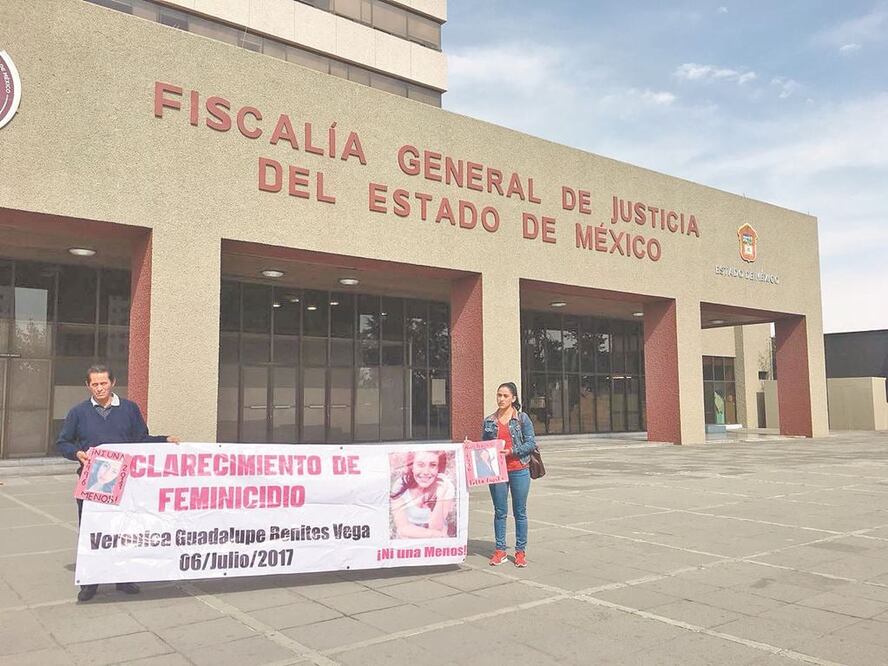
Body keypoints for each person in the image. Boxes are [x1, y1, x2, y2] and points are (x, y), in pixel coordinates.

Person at [56, 363, 180, 602]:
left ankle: (123, 578)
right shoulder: (78, 412)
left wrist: (165, 441)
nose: (100, 388)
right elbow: (63, 442)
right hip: (93, 482)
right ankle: (90, 582)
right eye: (95, 384)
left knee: (124, 530)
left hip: (126, 481)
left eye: (103, 383)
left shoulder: (129, 409)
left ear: (112, 383)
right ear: (87, 385)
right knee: (92, 531)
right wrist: (76, 453)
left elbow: (141, 440)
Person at [481, 381, 537, 568]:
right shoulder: (489, 421)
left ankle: (520, 552)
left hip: (519, 469)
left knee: (520, 512)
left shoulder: (522, 418)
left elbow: (531, 444)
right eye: (499, 395)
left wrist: (512, 451)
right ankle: (500, 550)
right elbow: (484, 447)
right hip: (497, 472)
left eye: (505, 396)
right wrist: (471, 447)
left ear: (513, 398)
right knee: (500, 512)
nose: (501, 399)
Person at [390, 450, 456, 538]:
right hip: (408, 542)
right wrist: (435, 534)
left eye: (433, 465)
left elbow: (436, 527)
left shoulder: (445, 486)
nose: (426, 472)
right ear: (412, 467)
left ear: (438, 468)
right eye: (420, 465)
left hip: (436, 543)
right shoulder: (401, 484)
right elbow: (403, 528)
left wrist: (440, 497)